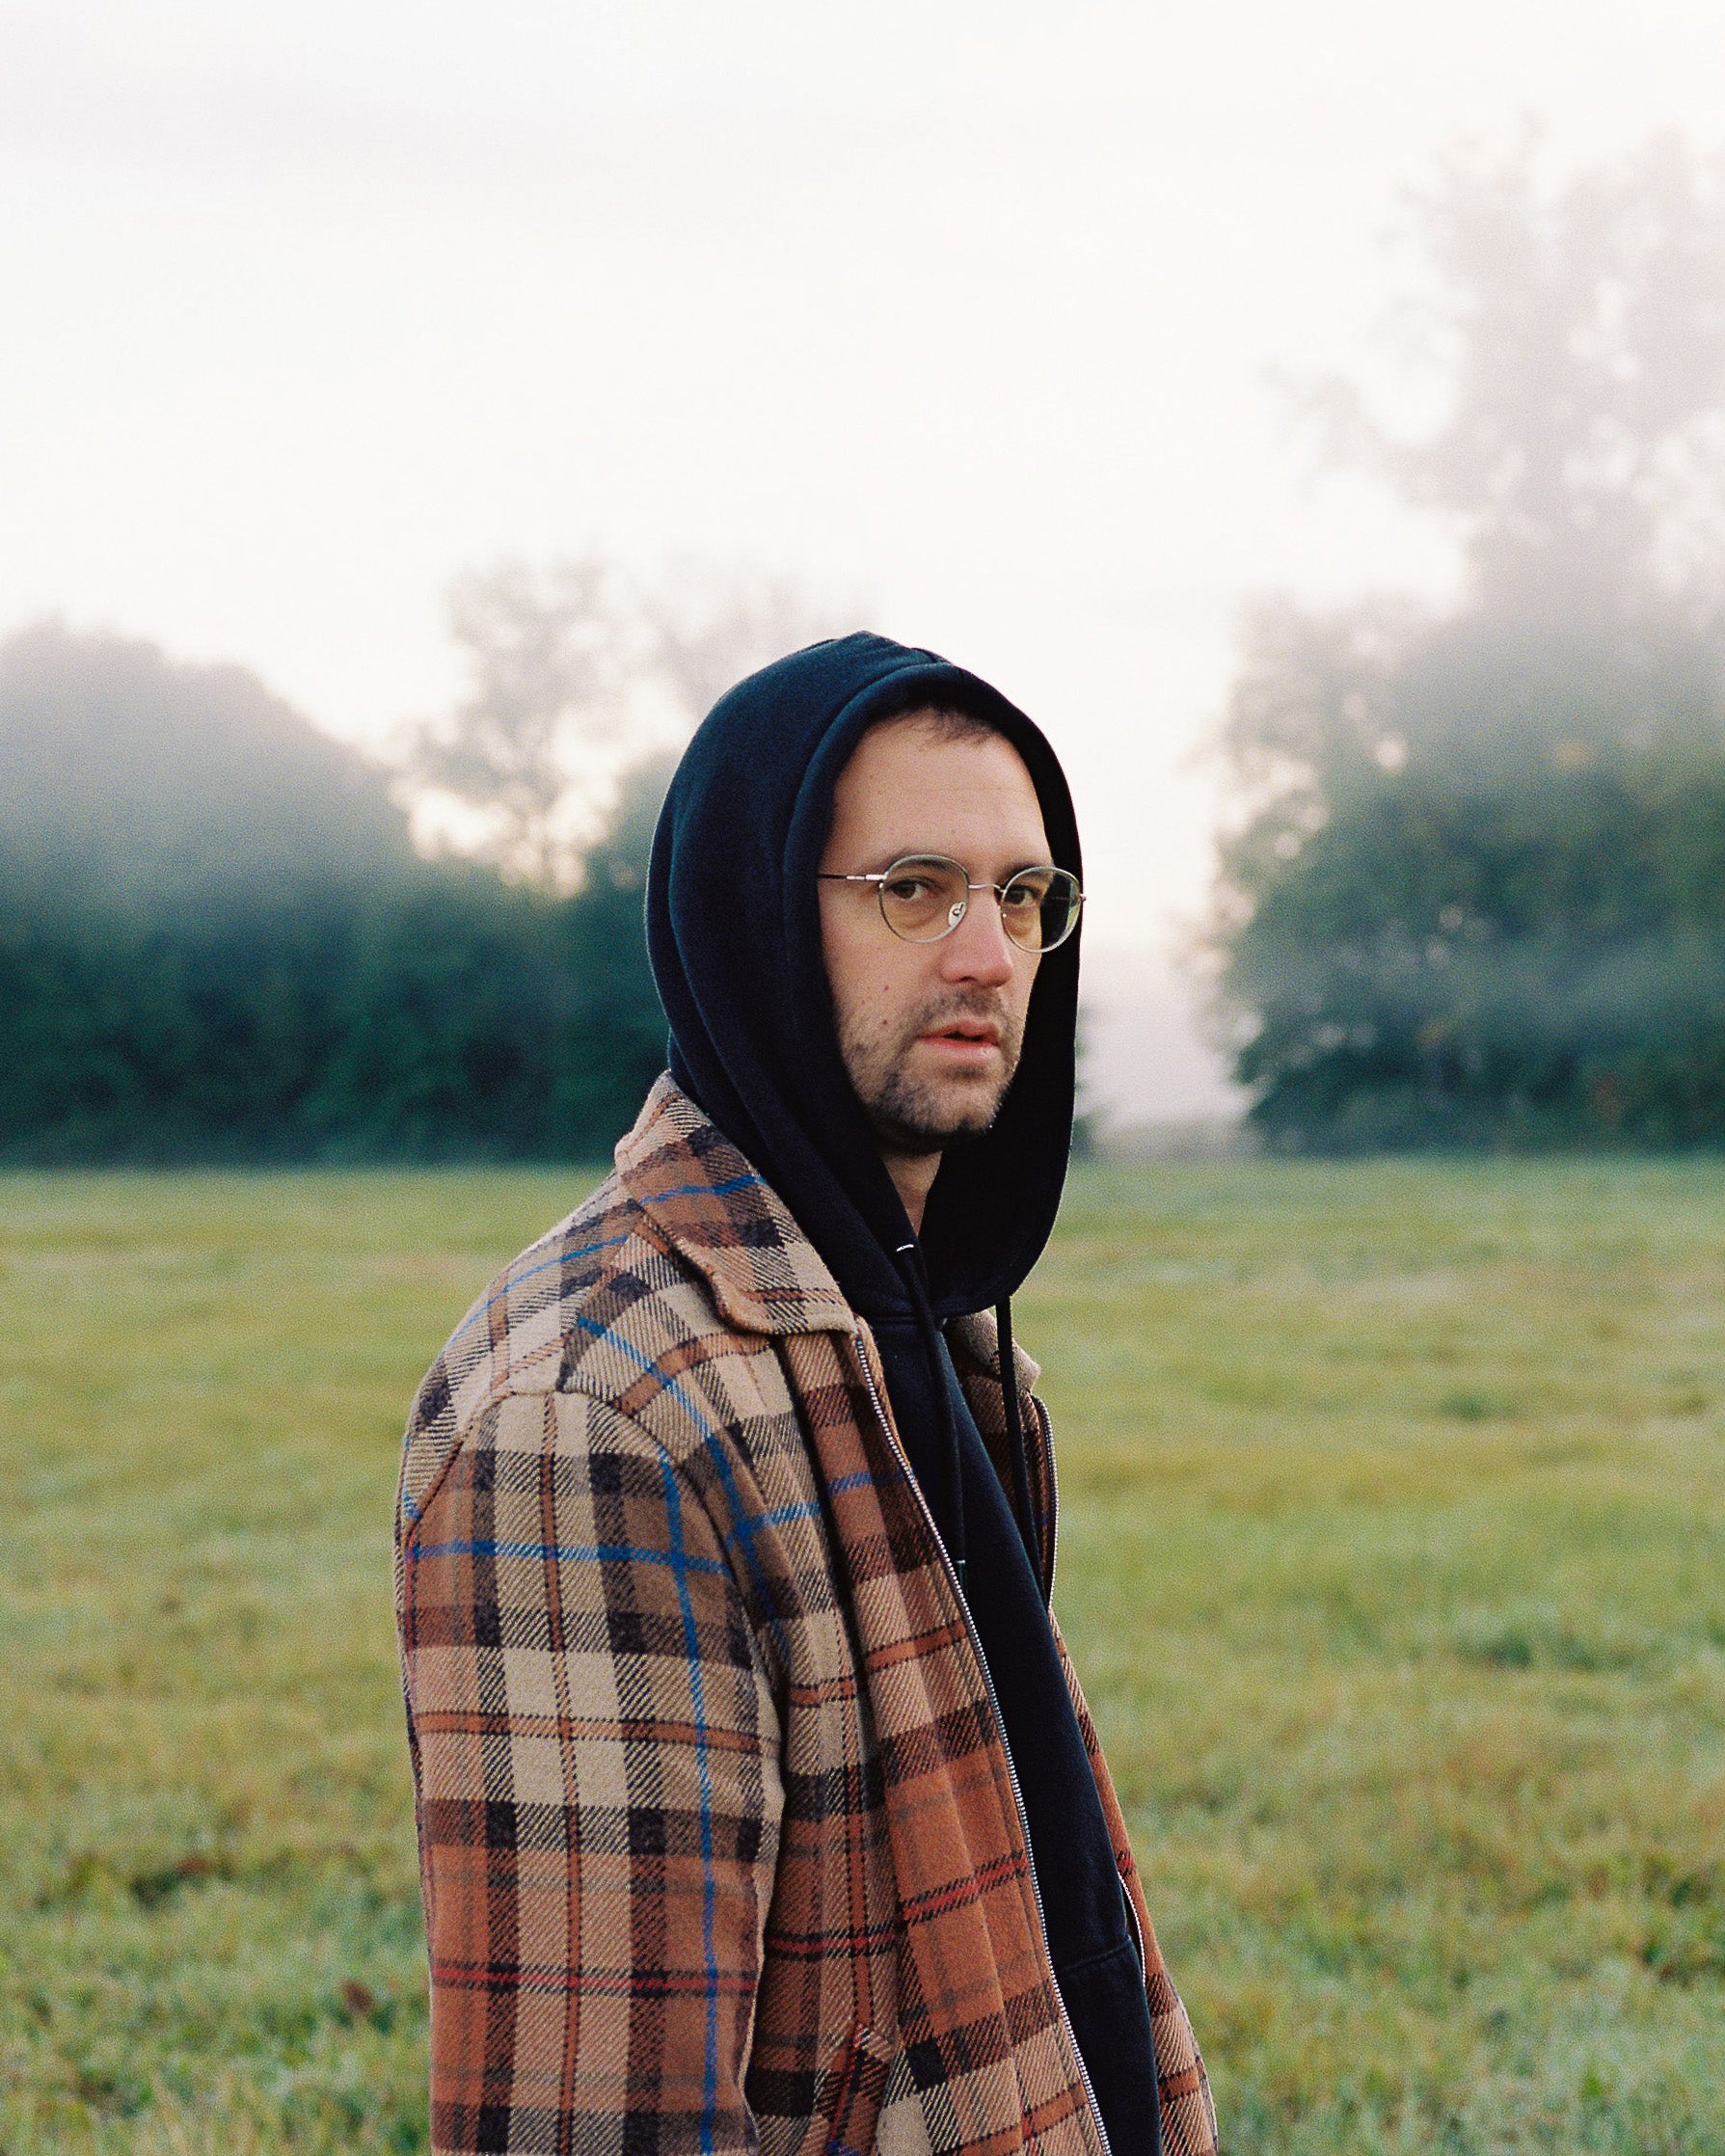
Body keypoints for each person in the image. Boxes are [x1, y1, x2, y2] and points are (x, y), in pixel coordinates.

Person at [395, 633, 1217, 2156]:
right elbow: (595, 2129)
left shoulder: (918, 1341)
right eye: (914, 889)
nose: (986, 951)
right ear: (756, 921)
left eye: (1024, 897)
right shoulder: (591, 1411)